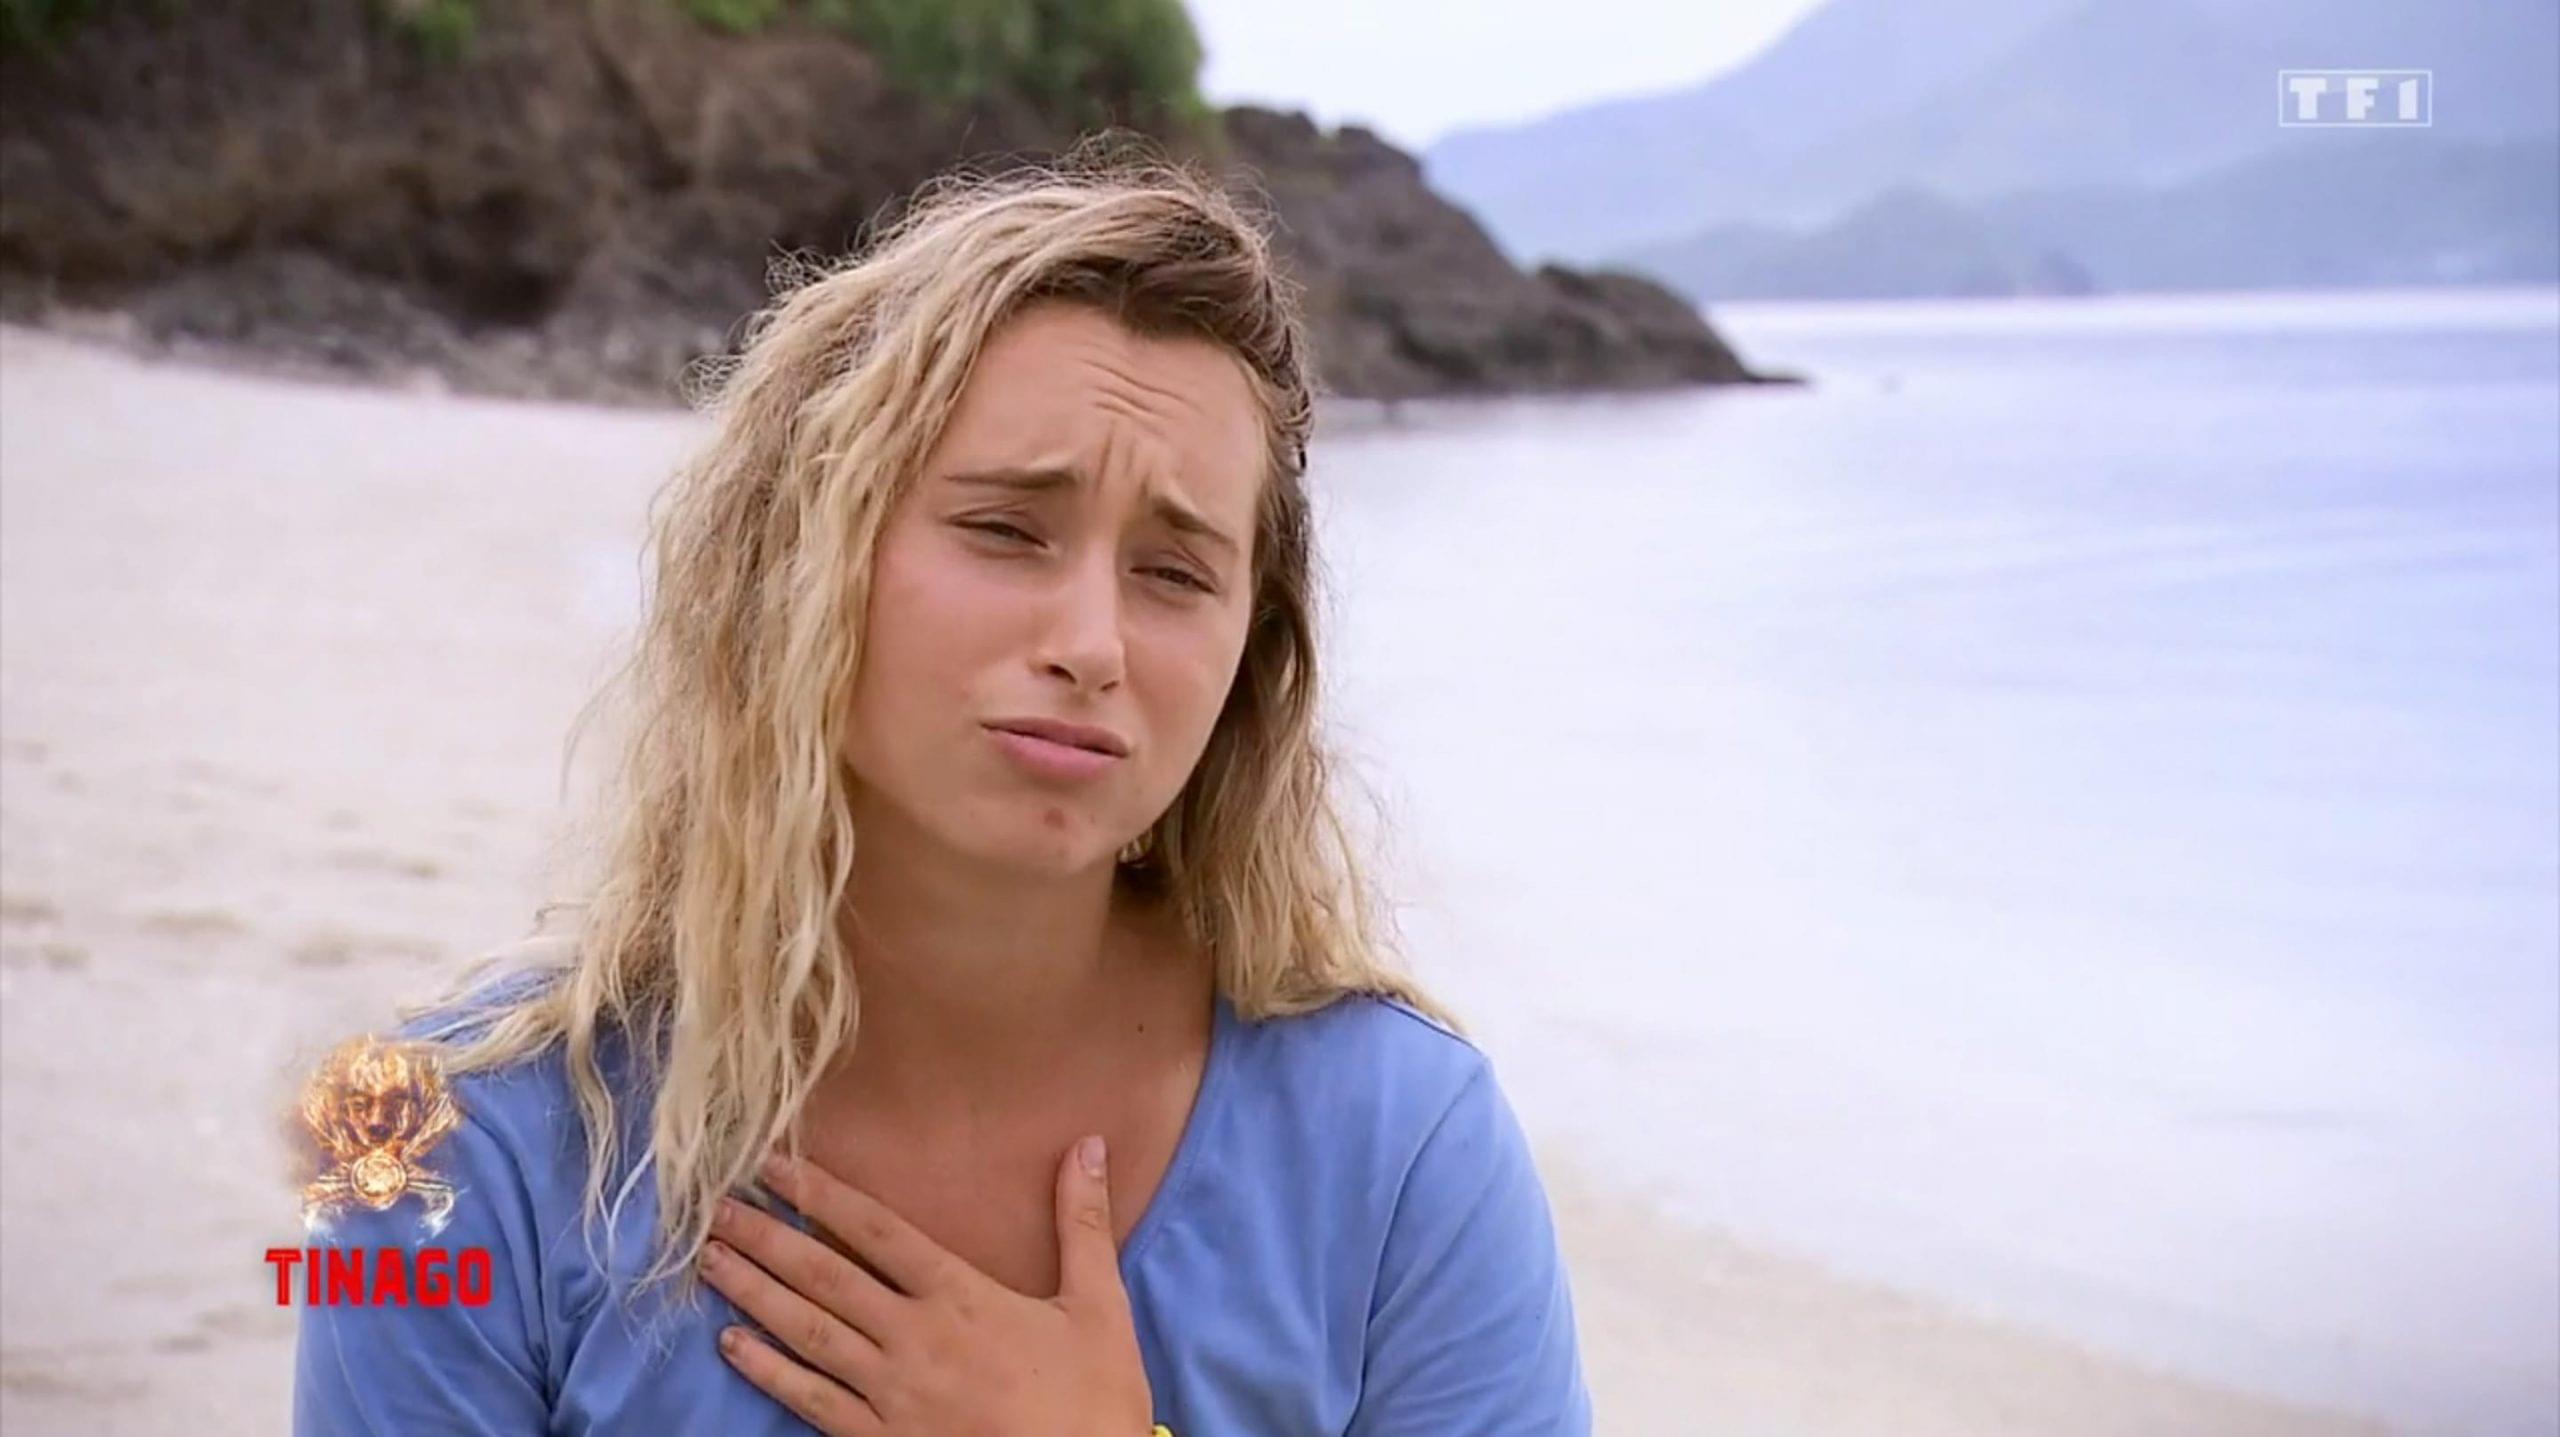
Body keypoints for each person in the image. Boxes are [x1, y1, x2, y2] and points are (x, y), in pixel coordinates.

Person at [290, 139, 1594, 1435]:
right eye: (1006, 530)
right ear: (800, 558)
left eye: (1174, 572)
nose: (1092, 643)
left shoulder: (1401, 1150)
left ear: (1250, 654)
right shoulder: (450, 1151)